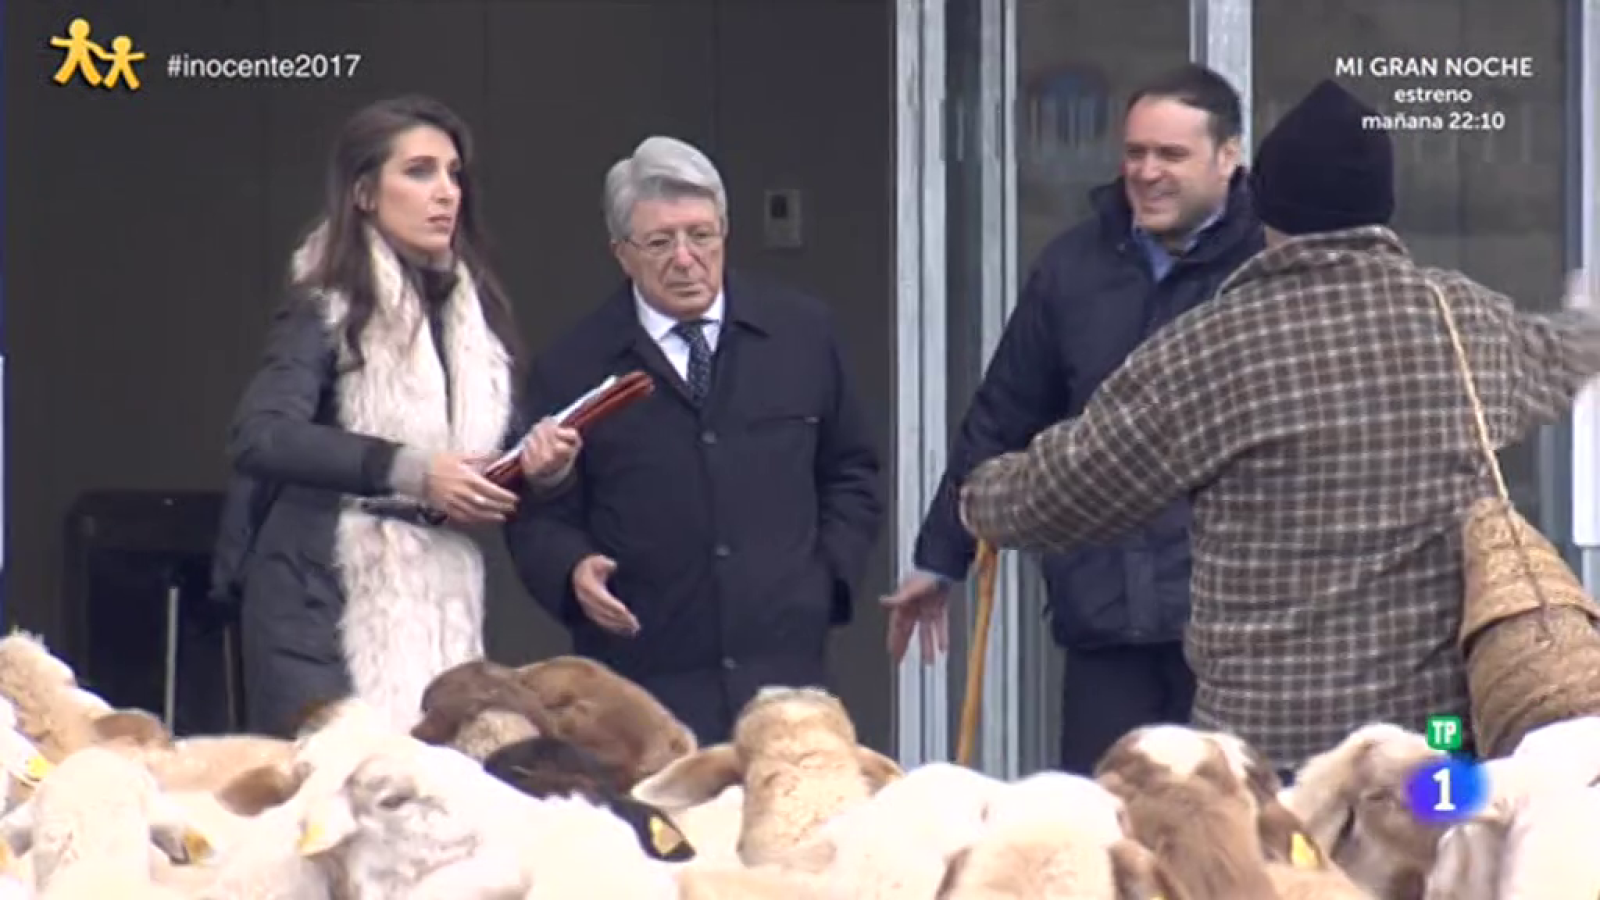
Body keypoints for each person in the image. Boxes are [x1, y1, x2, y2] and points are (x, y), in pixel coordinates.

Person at [956, 78, 1600, 774]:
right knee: (1437, 861)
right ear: (1381, 207)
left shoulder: (1211, 347)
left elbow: (1072, 488)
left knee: (1280, 875)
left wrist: (985, 497)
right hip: (1435, 745)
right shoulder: (1463, 321)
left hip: (1271, 755)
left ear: (1265, 203)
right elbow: (1565, 353)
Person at [881, 63, 1263, 773]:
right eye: (1135, 153)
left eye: (1170, 155)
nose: (1146, 173)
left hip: (1235, 633)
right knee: (1101, 837)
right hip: (1104, 616)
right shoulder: (1073, 268)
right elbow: (1002, 417)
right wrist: (941, 558)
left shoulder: (1272, 270)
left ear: (1228, 157)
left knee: (1227, 846)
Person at [504, 135, 884, 744]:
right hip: (643, 688)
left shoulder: (800, 334)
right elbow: (533, 515)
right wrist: (571, 570)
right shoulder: (574, 365)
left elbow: (851, 472)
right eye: (660, 242)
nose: (685, 258)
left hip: (786, 676)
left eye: (701, 235)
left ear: (725, 234)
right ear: (621, 253)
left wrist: (827, 581)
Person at [226, 95, 581, 736]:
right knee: (338, 803)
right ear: (364, 192)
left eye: (453, 174)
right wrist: (409, 470)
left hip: (439, 587)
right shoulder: (325, 302)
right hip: (321, 596)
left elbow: (485, 456)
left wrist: (539, 466)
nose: (446, 192)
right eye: (419, 172)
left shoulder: (476, 312)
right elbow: (262, 435)